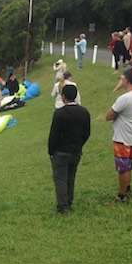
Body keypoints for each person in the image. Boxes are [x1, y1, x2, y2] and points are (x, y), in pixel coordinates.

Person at [48, 84, 91, 214]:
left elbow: (54, 135)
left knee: (60, 178)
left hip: (60, 151)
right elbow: (87, 133)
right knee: (71, 177)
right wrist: (79, 144)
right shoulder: (84, 112)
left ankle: (62, 207)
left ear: (63, 96)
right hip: (75, 151)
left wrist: (51, 151)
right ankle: (69, 201)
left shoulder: (60, 114)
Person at [105, 68, 132, 204]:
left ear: (127, 80)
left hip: (122, 138)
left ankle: (122, 196)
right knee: (128, 166)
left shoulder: (125, 98)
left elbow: (109, 116)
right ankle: (127, 188)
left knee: (123, 168)